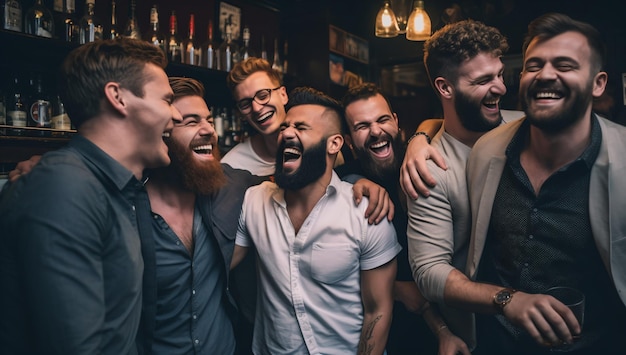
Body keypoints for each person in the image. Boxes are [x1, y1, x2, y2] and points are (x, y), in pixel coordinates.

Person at [449, 13, 626, 354]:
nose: (545, 75)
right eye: (534, 65)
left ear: (598, 83)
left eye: (565, 65)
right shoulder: (488, 152)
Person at [0, 37, 180, 354]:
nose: (176, 116)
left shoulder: (113, 186)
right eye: (166, 100)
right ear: (118, 97)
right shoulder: (63, 188)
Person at [231, 87, 400, 354]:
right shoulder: (254, 201)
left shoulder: (366, 213)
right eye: (285, 126)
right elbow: (218, 266)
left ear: (334, 144)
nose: (286, 133)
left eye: (301, 127)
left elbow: (377, 311)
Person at [338, 82, 470, 355]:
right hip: (384, 328)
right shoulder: (341, 186)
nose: (376, 131)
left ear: (396, 123)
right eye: (362, 126)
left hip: (450, 314)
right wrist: (395, 287)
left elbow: (440, 121)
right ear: (348, 140)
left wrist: (418, 138)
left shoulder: (421, 159)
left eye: (382, 119)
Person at [138, 77, 265, 354]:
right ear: (161, 132)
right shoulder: (129, 207)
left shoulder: (229, 187)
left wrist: (357, 180)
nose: (209, 130)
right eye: (192, 121)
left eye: (208, 120)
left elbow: (291, 184)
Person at [405, 19, 510, 352]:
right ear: (445, 88)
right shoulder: (430, 166)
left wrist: (418, 134)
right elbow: (429, 270)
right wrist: (510, 300)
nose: (501, 88)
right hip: (487, 333)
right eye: (483, 80)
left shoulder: (528, 128)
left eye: (499, 74)